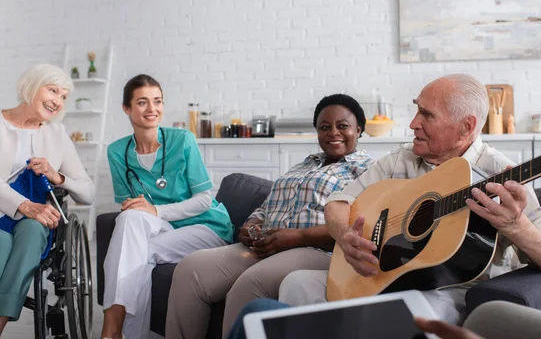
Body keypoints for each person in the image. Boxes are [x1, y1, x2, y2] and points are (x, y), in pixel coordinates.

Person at [278, 73, 541, 325]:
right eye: (417, 110)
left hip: (448, 291)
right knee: (296, 284)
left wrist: (516, 225)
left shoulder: (501, 175)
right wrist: (344, 236)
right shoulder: (400, 160)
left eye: (427, 115)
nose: (413, 124)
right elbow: (338, 202)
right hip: (380, 276)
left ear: (466, 127)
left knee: (411, 315)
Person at [165, 94, 377, 339]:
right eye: (324, 127)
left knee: (250, 284)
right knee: (190, 268)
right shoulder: (303, 165)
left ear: (359, 129)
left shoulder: (368, 170)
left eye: (342, 126)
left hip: (317, 250)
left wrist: (298, 237)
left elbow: (360, 226)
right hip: (265, 245)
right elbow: (267, 206)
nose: (333, 133)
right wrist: (252, 223)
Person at [100, 74, 234, 339]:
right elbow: (128, 203)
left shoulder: (182, 140)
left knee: (138, 253)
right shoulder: (117, 151)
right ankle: (115, 329)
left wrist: (156, 210)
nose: (152, 109)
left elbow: (204, 200)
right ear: (126, 108)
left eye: (157, 101)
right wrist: (138, 208)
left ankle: (113, 328)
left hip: (205, 225)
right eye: (142, 102)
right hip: (165, 226)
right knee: (127, 220)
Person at [0, 64, 95, 335]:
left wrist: (57, 176)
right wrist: (23, 205)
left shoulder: (56, 133)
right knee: (2, 244)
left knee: (32, 230)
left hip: (38, 218)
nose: (58, 101)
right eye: (52, 90)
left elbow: (87, 192)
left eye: (64, 96)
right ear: (31, 85)